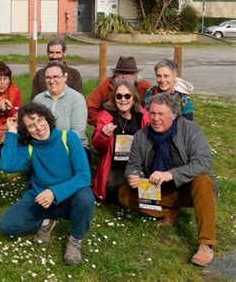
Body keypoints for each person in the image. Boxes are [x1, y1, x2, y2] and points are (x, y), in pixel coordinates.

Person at [119, 93, 217, 267]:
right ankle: (168, 211)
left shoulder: (191, 130)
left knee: (203, 180)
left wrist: (170, 174)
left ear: (173, 115)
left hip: (187, 188)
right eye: (152, 114)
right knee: (124, 193)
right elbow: (133, 164)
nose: (156, 119)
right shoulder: (142, 135)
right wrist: (135, 176)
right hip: (158, 188)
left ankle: (206, 243)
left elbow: (203, 162)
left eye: (161, 114)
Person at [0, 103, 94, 266]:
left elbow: (84, 176)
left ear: (47, 118)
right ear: (27, 131)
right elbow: (7, 166)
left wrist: (54, 192)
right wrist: (12, 133)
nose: (38, 127)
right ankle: (46, 222)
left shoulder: (68, 138)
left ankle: (75, 241)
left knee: (85, 196)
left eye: (40, 120)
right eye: (31, 126)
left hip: (69, 198)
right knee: (7, 225)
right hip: (40, 199)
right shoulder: (30, 148)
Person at [91, 79, 150, 201]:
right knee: (113, 188)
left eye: (127, 96)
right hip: (115, 164)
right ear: (114, 99)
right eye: (119, 96)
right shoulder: (106, 116)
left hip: (138, 163)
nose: (123, 99)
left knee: (140, 186)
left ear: (134, 98)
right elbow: (97, 146)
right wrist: (104, 135)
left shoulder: (143, 116)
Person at [33, 62, 90, 161]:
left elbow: (78, 132)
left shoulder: (77, 99)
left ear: (65, 77)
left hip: (73, 145)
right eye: (48, 77)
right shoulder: (38, 99)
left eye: (56, 77)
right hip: (44, 144)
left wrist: (56, 145)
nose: (51, 81)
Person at [86, 56, 152, 127]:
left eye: (128, 73)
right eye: (121, 73)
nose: (124, 76)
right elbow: (89, 106)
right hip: (112, 127)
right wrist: (101, 124)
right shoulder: (105, 86)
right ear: (115, 74)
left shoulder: (145, 87)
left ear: (135, 75)